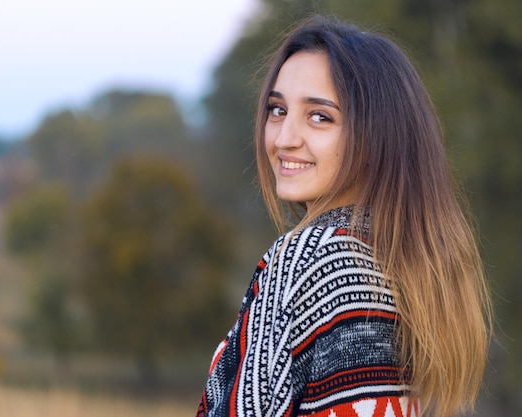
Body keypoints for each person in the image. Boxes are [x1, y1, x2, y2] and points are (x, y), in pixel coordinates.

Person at [197, 15, 492, 417]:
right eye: (277, 109)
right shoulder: (404, 268)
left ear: (375, 135)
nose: (284, 139)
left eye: (320, 116)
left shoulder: (310, 257)